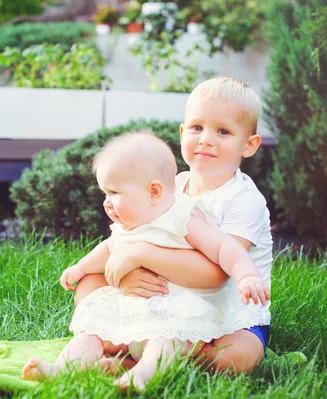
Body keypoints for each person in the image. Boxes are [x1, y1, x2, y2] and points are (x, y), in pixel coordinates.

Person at [21, 132, 270, 391]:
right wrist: (81, 268)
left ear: (153, 191)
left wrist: (246, 274)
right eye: (105, 193)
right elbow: (109, 248)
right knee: (90, 332)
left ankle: (143, 374)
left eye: (114, 193)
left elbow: (223, 248)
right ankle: (63, 369)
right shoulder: (129, 225)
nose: (107, 203)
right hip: (132, 312)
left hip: (176, 312)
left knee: (168, 339)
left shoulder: (182, 218)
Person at [74, 76, 274, 375]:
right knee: (89, 282)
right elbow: (125, 241)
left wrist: (141, 254)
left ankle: (137, 354)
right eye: (196, 127)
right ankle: (138, 348)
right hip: (169, 299)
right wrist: (126, 279)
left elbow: (216, 275)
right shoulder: (169, 188)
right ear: (182, 133)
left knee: (237, 356)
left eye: (223, 131)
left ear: (249, 145)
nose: (206, 138)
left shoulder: (244, 201)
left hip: (226, 312)